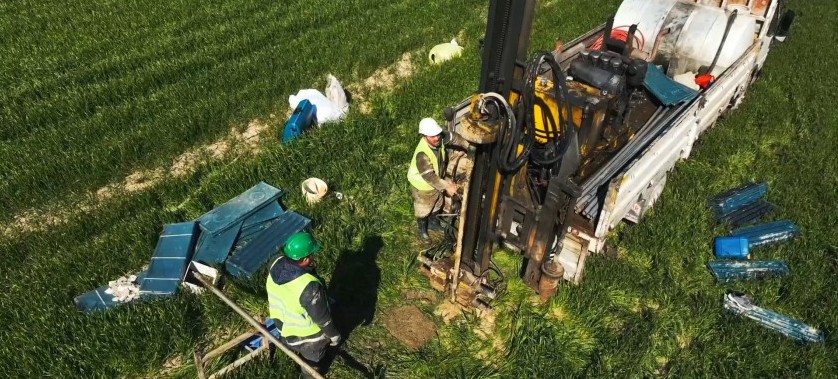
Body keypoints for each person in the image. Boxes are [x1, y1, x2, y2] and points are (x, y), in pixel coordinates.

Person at [266, 232, 340, 378]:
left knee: (292, 346)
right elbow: (323, 320)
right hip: (308, 337)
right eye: (312, 254)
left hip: (282, 325)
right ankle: (307, 375)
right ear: (305, 259)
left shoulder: (275, 262)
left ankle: (293, 353)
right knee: (312, 363)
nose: (314, 257)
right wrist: (334, 336)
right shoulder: (309, 288)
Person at [406, 117, 471, 240]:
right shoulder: (422, 155)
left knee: (437, 204)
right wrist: (448, 186)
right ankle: (423, 230)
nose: (436, 138)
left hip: (436, 182)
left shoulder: (440, 138)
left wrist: (469, 148)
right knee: (424, 209)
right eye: (432, 136)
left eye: (437, 134)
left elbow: (454, 137)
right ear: (424, 136)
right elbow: (430, 177)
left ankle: (433, 224)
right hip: (423, 187)